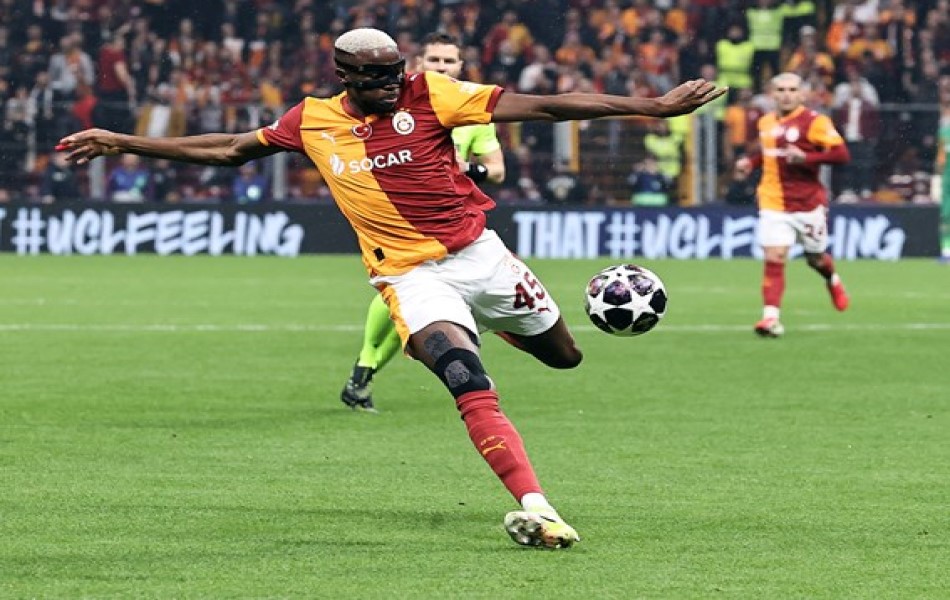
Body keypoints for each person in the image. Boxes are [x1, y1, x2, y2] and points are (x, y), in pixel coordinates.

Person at [57, 27, 724, 550]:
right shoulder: (312, 120)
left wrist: (651, 108)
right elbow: (231, 147)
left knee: (565, 358)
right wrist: (123, 142)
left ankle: (478, 324)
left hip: (482, 258)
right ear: (344, 77)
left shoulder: (433, 94)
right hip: (409, 276)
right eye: (376, 78)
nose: (391, 84)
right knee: (465, 377)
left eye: (396, 72)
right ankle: (537, 506)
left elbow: (545, 106)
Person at [341, 32, 506, 414]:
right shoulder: (394, 104)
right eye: (435, 60)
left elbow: (498, 171)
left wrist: (468, 170)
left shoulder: (471, 109)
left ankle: (364, 371)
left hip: (453, 221)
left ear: (461, 67)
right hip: (399, 218)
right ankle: (366, 364)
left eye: (449, 61)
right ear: (418, 64)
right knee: (403, 293)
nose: (442, 67)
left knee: (419, 306)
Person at [735, 72, 851, 338]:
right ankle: (771, 318)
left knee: (816, 258)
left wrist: (806, 158)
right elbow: (767, 153)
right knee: (775, 256)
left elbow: (842, 155)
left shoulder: (815, 122)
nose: (786, 95)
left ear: (802, 94)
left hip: (808, 204)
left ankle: (832, 279)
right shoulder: (765, 122)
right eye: (781, 90)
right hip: (772, 201)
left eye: (792, 90)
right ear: (772, 94)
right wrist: (749, 163)